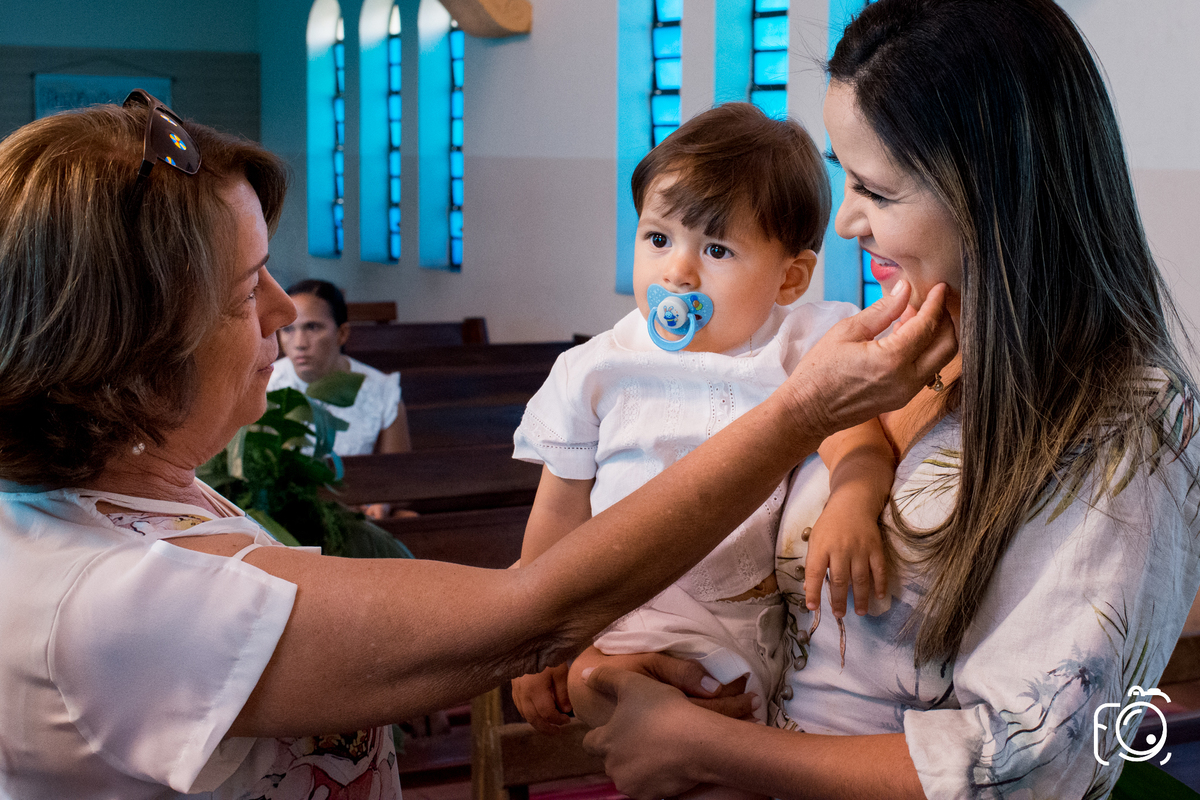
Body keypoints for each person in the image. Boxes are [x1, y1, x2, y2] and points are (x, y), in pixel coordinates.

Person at [0, 92, 955, 798]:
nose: (289, 311)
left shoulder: (133, 489)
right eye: (248, 286)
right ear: (126, 346)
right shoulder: (103, 598)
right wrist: (799, 416)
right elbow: (527, 612)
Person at [574, 1, 1200, 798]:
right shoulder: (885, 350)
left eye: (876, 189)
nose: (843, 223)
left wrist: (704, 748)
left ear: (991, 189)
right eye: (842, 173)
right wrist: (634, 659)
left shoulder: (1131, 423)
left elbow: (1037, 759)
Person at [510, 103, 897, 767]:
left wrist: (854, 500)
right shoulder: (594, 371)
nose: (678, 273)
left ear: (790, 277)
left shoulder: (798, 346)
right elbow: (556, 521)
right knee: (617, 705)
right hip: (620, 620)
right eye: (658, 239)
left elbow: (855, 436)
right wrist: (532, 643)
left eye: (716, 250)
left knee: (732, 743)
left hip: (746, 622)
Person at [269, 279, 412, 457]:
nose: (299, 343)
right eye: (288, 329)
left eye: (312, 327)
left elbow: (398, 476)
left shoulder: (382, 392)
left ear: (342, 333)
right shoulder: (265, 385)